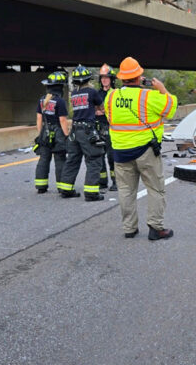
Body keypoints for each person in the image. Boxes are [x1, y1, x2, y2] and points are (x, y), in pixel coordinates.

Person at [104, 56, 177, 240]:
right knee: (155, 189)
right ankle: (155, 228)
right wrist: (162, 89)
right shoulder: (149, 96)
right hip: (146, 152)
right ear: (138, 77)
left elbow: (109, 117)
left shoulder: (111, 96)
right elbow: (171, 108)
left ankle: (129, 228)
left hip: (120, 151)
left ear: (121, 78)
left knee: (126, 191)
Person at [59, 65, 106, 202]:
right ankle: (91, 193)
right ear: (88, 79)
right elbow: (101, 107)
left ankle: (66, 189)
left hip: (75, 130)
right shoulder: (92, 92)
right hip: (87, 130)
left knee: (72, 159)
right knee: (94, 159)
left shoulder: (74, 94)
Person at [34, 71, 72, 195]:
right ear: (60, 87)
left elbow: (39, 119)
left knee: (44, 159)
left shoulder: (42, 100)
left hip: (45, 133)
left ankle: (41, 186)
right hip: (58, 135)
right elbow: (62, 120)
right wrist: (67, 136)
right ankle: (61, 186)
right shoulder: (60, 102)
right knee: (60, 160)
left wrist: (40, 135)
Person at [96, 64, 119, 192]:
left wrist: (103, 111)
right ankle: (102, 181)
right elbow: (95, 109)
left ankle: (115, 181)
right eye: (102, 78)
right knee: (99, 155)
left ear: (111, 79)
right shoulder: (97, 94)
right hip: (99, 127)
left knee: (111, 156)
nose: (104, 80)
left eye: (107, 77)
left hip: (111, 128)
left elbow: (114, 111)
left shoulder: (116, 93)